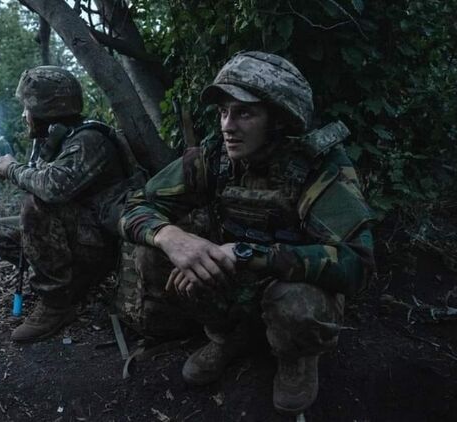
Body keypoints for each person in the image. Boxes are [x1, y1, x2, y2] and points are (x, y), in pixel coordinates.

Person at [119, 51, 376, 415]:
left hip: (288, 286)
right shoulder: (214, 157)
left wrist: (247, 254)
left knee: (296, 303)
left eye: (244, 113)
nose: (228, 125)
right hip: (235, 280)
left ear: (278, 119)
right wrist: (170, 237)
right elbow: (134, 205)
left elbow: (357, 263)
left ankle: (296, 357)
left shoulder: (319, 167)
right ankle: (229, 337)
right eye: (224, 112)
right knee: (154, 251)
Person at [0, 66, 142, 343]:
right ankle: (73, 283)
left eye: (27, 108)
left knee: (36, 205)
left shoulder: (89, 140)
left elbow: (52, 188)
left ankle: (56, 304)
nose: (24, 115)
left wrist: (12, 169)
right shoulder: (57, 139)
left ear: (44, 111)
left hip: (105, 242)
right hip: (81, 235)